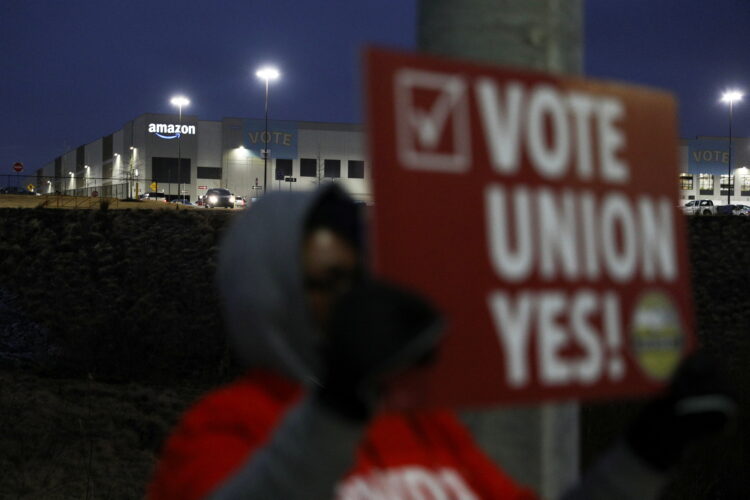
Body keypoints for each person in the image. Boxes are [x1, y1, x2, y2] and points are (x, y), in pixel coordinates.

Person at [148, 184, 735, 500]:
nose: (349, 299)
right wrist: (338, 405)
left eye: (356, 277)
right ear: (267, 297)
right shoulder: (224, 427)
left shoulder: (422, 424)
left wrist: (647, 453)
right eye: (324, 283)